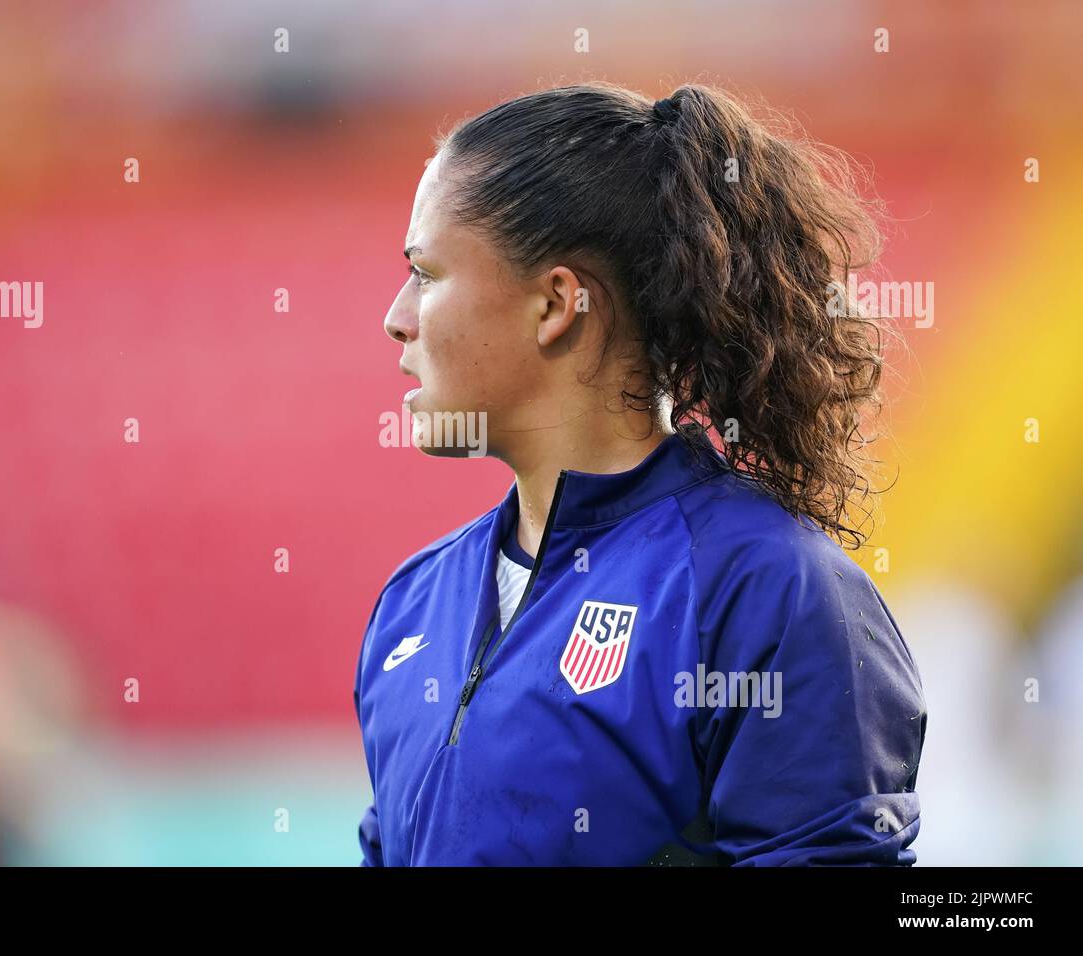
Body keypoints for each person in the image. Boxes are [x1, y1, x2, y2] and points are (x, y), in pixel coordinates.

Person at [353, 81, 927, 865]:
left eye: (426, 272)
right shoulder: (413, 604)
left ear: (556, 304)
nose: (398, 315)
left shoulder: (764, 589)